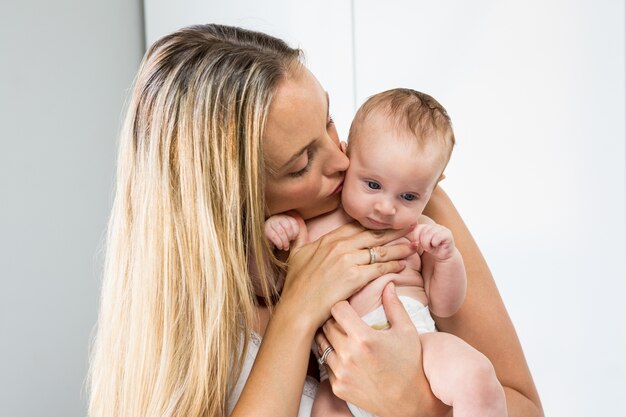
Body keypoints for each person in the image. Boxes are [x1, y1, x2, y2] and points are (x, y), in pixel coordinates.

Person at [88, 23, 544, 417]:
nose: (343, 162)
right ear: (234, 197)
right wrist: (300, 307)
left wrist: (414, 404)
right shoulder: (194, 307)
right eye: (302, 163)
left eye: (329, 122)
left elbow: (522, 406)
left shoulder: (407, 204)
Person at [264, 88, 506, 417]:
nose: (386, 208)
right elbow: (265, 283)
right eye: (373, 185)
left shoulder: (418, 230)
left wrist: (448, 259)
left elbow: (445, 305)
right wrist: (276, 233)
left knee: (476, 375)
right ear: (349, 159)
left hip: (419, 346)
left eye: (408, 197)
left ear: (432, 189)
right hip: (336, 374)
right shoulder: (304, 223)